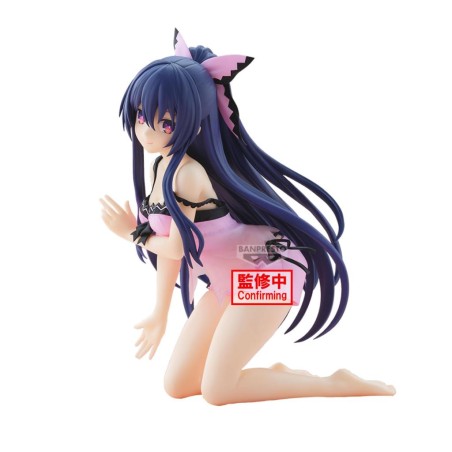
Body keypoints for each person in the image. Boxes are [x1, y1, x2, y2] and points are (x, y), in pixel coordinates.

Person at [100, 30, 395, 405]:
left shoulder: (188, 175)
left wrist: (131, 232)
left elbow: (175, 247)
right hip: (228, 279)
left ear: (194, 123)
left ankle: (333, 384)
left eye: (167, 123)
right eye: (143, 116)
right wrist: (160, 313)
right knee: (178, 384)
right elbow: (169, 252)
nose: (146, 131)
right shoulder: (161, 168)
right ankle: (274, 377)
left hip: (269, 269)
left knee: (217, 391)